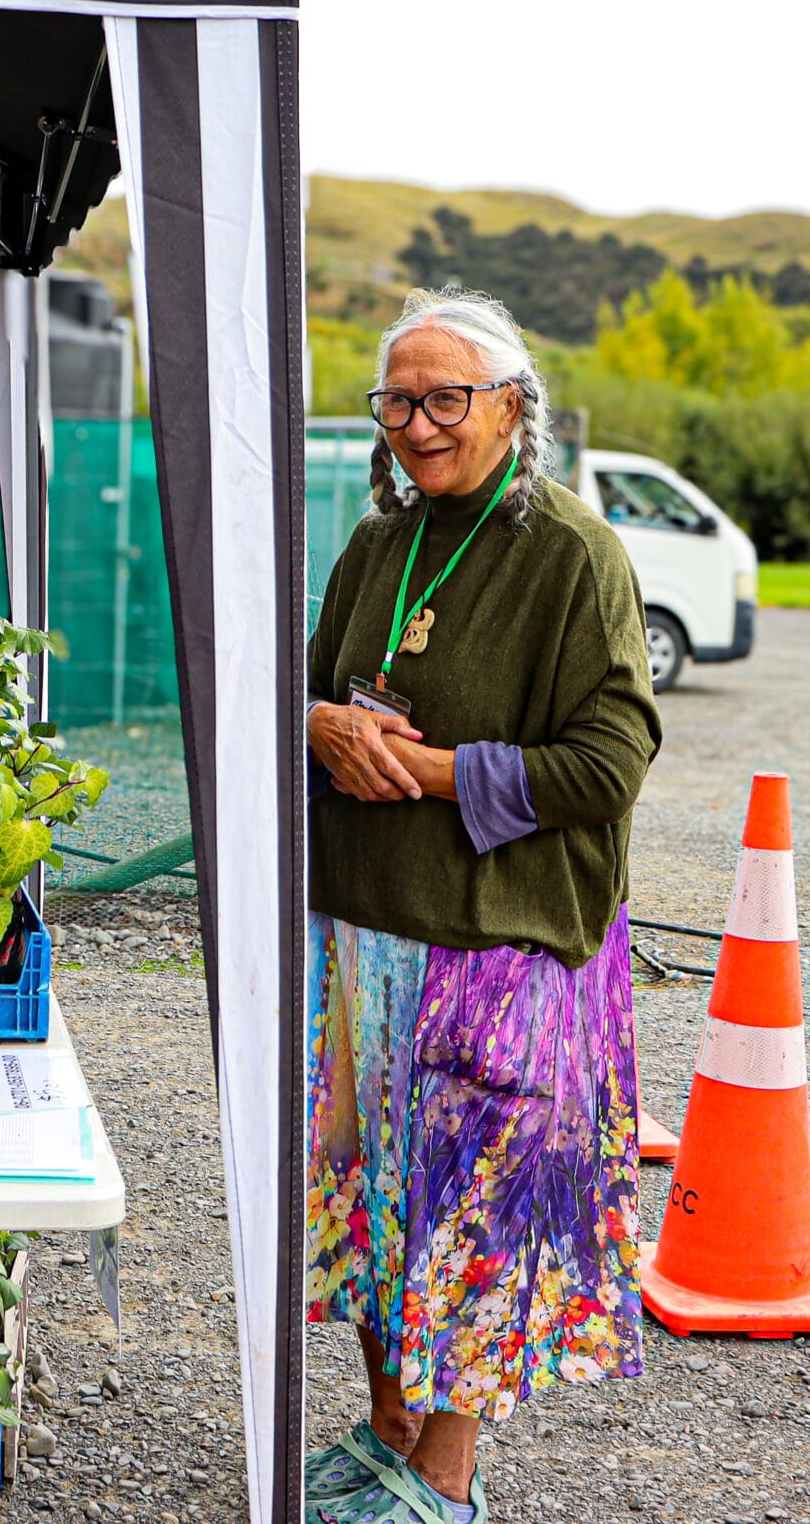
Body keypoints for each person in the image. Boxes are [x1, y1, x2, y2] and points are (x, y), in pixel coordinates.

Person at [303, 285, 661, 1524]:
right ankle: (389, 1433)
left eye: (445, 399)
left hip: (498, 952)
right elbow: (302, 691)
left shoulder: (573, 555)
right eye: (397, 401)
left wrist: (435, 771)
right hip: (362, 934)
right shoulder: (377, 544)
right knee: (366, 1202)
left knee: (473, 1212)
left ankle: (445, 1481)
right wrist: (323, 723)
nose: (417, 425)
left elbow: (608, 764)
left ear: (513, 405)